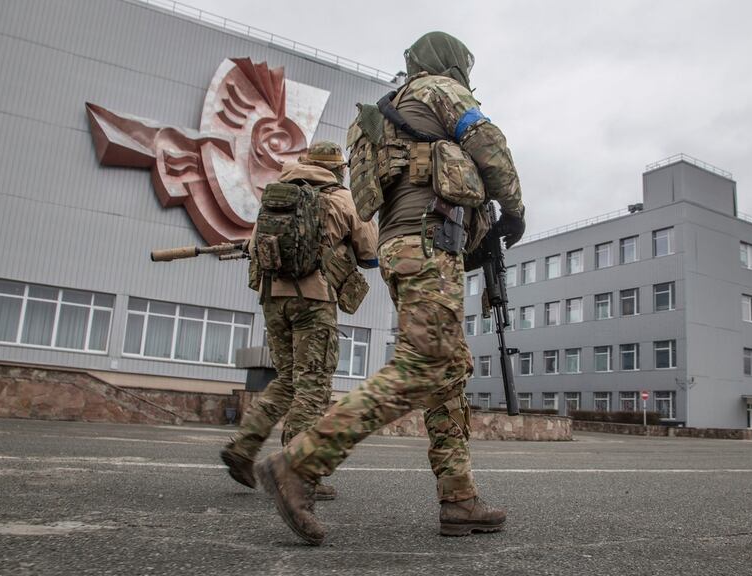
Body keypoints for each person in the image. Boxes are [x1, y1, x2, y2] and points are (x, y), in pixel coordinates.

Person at [255, 31, 526, 545]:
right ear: (450, 64)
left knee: (446, 372)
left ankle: (459, 497)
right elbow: (491, 149)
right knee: (424, 363)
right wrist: (514, 211)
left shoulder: (378, 113)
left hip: (400, 248)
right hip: (429, 242)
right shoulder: (439, 91)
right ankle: (301, 463)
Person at [220, 141, 378, 501]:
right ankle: (297, 470)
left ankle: (243, 447)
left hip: (272, 298)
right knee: (314, 385)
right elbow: (370, 254)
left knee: (288, 379)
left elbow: (257, 245)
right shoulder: (341, 198)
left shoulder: (276, 197)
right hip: (313, 300)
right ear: (338, 169)